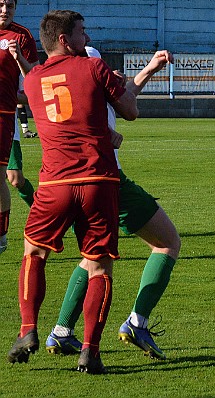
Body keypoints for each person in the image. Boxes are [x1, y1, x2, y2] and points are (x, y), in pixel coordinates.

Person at [7, 10, 138, 374]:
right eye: (82, 32)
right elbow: (128, 111)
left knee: (34, 252)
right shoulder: (95, 69)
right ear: (65, 39)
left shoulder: (33, 80)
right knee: (100, 265)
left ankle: (28, 330)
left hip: (54, 184)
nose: (87, 37)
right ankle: (90, 351)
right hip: (98, 181)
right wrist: (121, 86)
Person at [44, 46, 179, 362]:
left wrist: (148, 69)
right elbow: (124, 107)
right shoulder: (91, 71)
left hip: (69, 181)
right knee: (167, 243)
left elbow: (119, 100)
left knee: (92, 259)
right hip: (107, 179)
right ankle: (137, 322)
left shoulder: (59, 80)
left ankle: (61, 332)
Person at [0, 0, 39, 255]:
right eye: (1, 5)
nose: (4, 11)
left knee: (8, 178)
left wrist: (19, 97)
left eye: (9, 6)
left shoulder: (22, 36)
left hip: (3, 116)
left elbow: (35, 80)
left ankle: (1, 237)